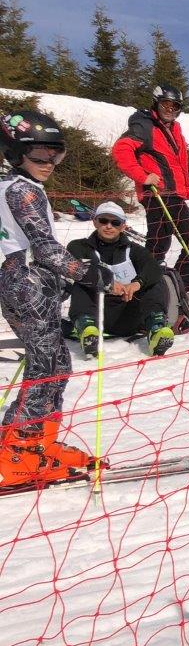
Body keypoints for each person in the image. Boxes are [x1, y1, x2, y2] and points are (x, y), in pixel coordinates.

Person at [0, 109, 113, 486]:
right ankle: (18, 451)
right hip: (27, 281)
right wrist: (87, 273)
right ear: (15, 153)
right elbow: (46, 249)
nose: (49, 162)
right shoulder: (23, 190)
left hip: (21, 279)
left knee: (53, 362)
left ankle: (33, 441)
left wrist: (62, 276)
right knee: (46, 365)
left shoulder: (10, 185)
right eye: (39, 154)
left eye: (56, 154)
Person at [111, 84, 189, 295]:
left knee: (159, 245)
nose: (170, 109)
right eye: (166, 104)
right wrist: (143, 176)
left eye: (175, 106)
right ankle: (175, 291)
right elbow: (121, 150)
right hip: (158, 194)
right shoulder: (145, 126)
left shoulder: (174, 128)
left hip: (172, 195)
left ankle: (150, 288)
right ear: (156, 103)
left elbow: (176, 163)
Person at [66, 201, 174, 357]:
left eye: (115, 222)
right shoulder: (79, 246)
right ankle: (88, 333)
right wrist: (108, 284)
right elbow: (76, 268)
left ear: (123, 226)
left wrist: (137, 284)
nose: (109, 226)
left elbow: (153, 268)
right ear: (95, 222)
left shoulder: (135, 250)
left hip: (128, 312)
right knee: (81, 280)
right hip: (96, 313)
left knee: (156, 279)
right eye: (103, 220)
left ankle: (156, 328)